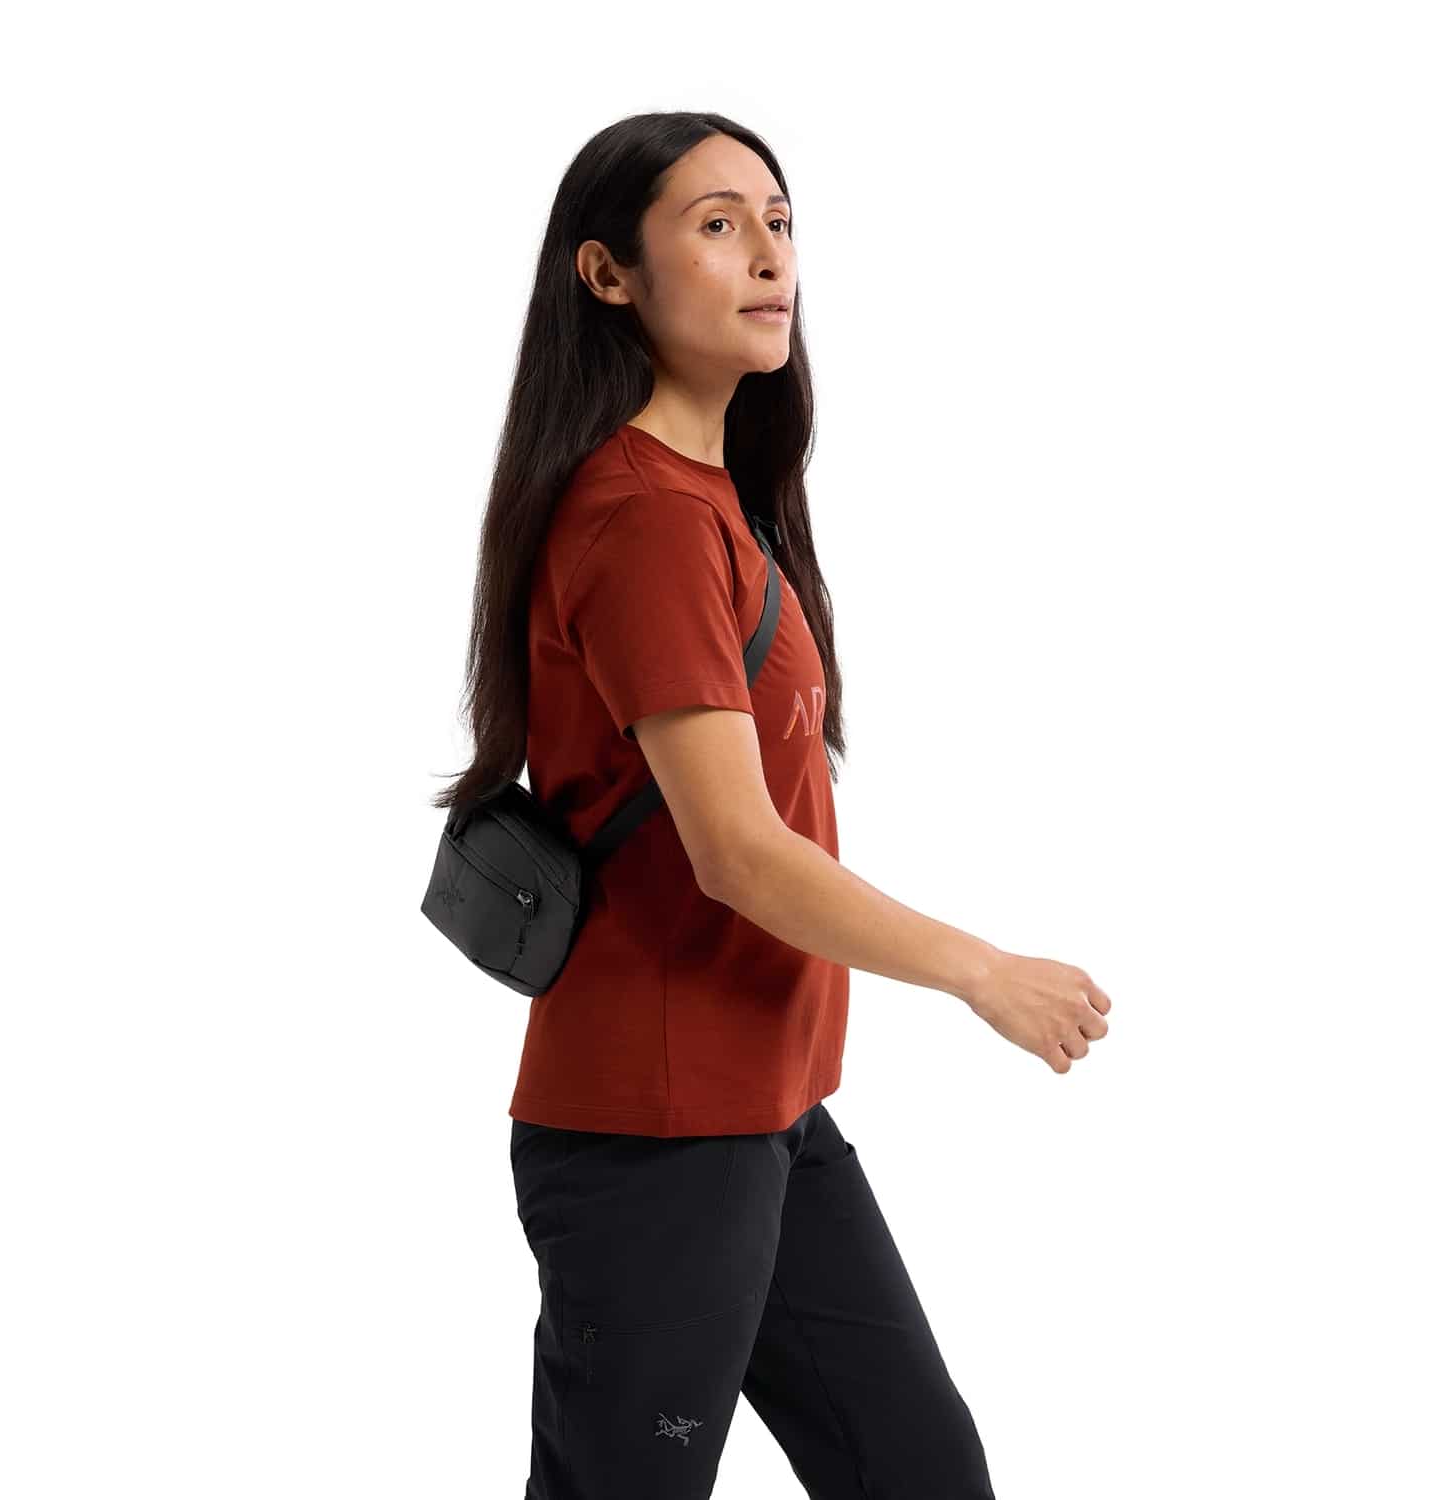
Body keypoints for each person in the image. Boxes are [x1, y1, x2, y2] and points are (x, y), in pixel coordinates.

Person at [433, 110, 1112, 1499]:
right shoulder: (644, 518)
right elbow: (739, 854)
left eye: (780, 222)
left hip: (767, 1109)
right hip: (656, 1134)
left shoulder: (713, 500)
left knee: (921, 1469)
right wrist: (983, 972)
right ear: (607, 275)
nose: (768, 256)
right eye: (717, 224)